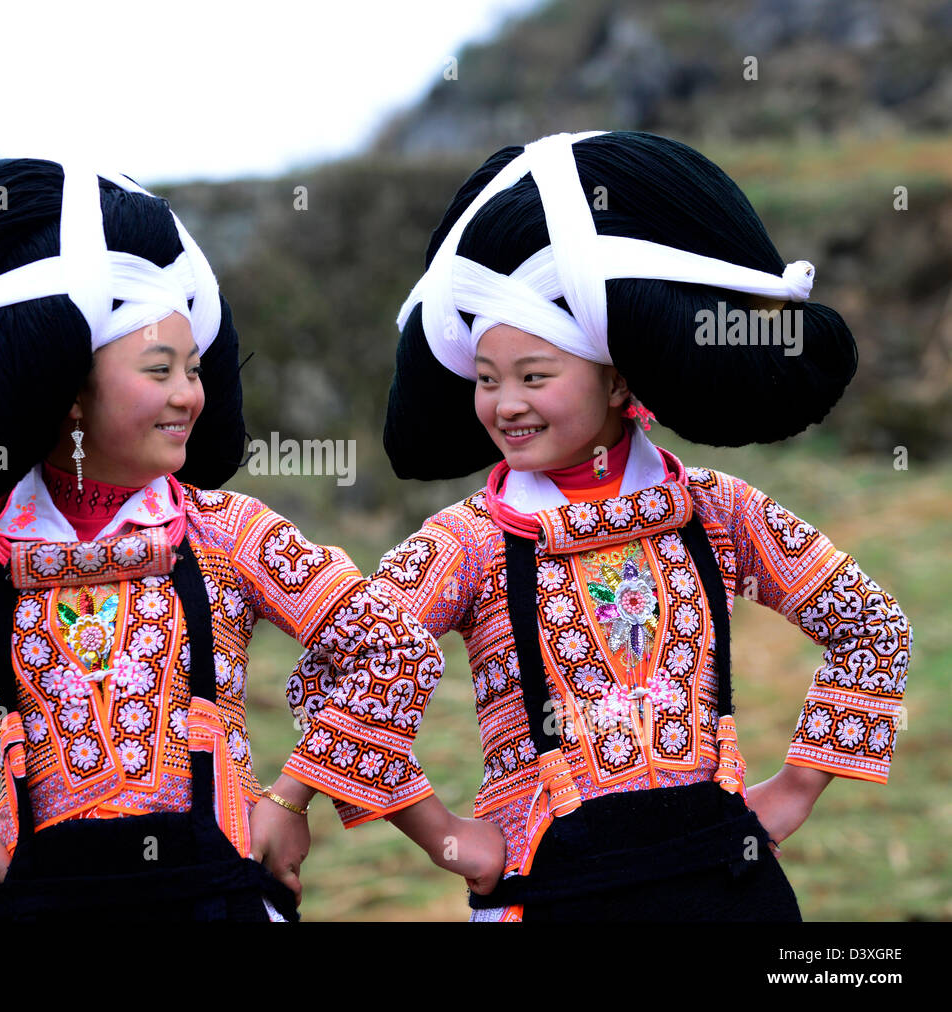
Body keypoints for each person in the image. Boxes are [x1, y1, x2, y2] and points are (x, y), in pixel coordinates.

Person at [0, 158, 500, 921]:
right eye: (159, 369)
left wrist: (292, 797)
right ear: (68, 395)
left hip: (220, 896)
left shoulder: (230, 534)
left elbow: (390, 645)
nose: (188, 394)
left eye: (193, 369)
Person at [279, 131, 912, 920]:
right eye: (485, 380)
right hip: (550, 893)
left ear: (616, 382)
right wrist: (444, 835)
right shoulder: (471, 539)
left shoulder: (714, 511)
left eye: (534, 377)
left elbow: (872, 624)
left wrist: (796, 786)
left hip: (728, 888)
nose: (505, 403)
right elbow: (340, 665)